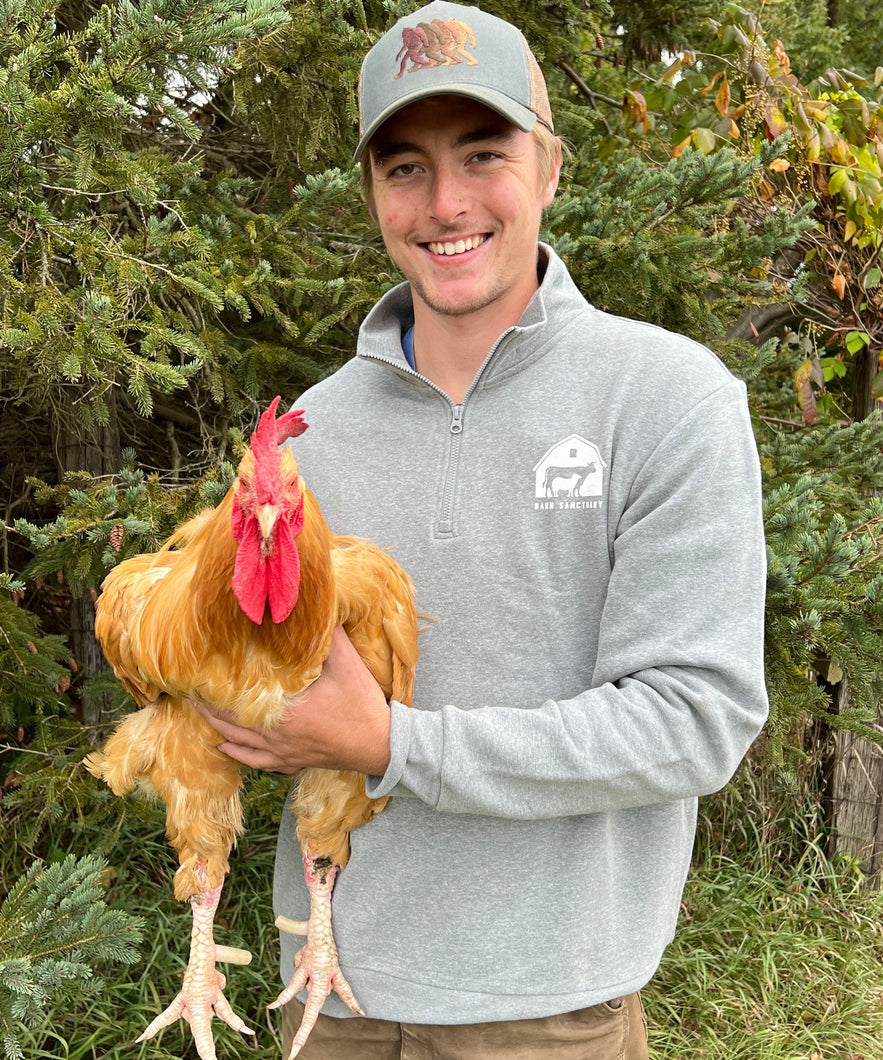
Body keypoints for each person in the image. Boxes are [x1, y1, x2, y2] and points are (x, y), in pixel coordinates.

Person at [196, 2, 769, 1056]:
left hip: (548, 1006)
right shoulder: (306, 434)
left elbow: (697, 717)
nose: (446, 202)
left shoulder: (667, 399)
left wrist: (391, 745)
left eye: (484, 153)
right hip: (329, 993)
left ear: (549, 167)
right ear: (370, 192)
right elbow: (268, 682)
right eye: (404, 167)